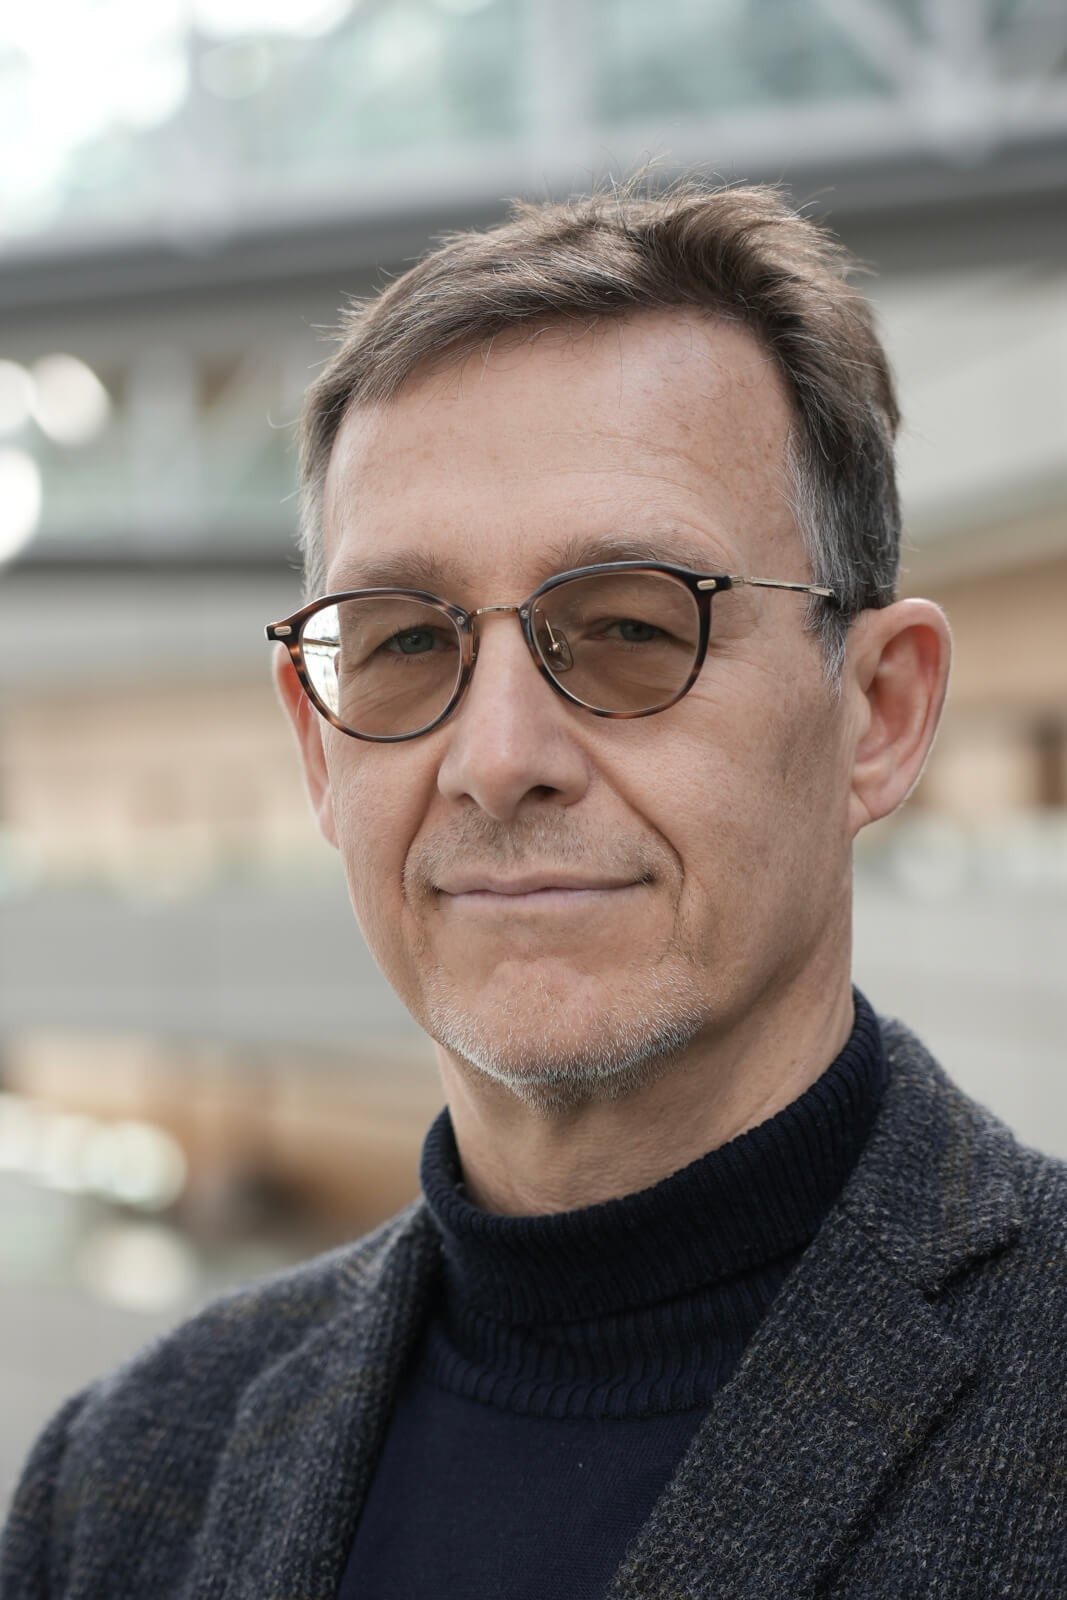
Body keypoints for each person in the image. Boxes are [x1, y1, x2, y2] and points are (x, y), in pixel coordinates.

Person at [2, 182, 1064, 1600]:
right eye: (404, 642)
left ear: (876, 713)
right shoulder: (122, 1488)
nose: (497, 759)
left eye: (630, 624)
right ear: (319, 750)